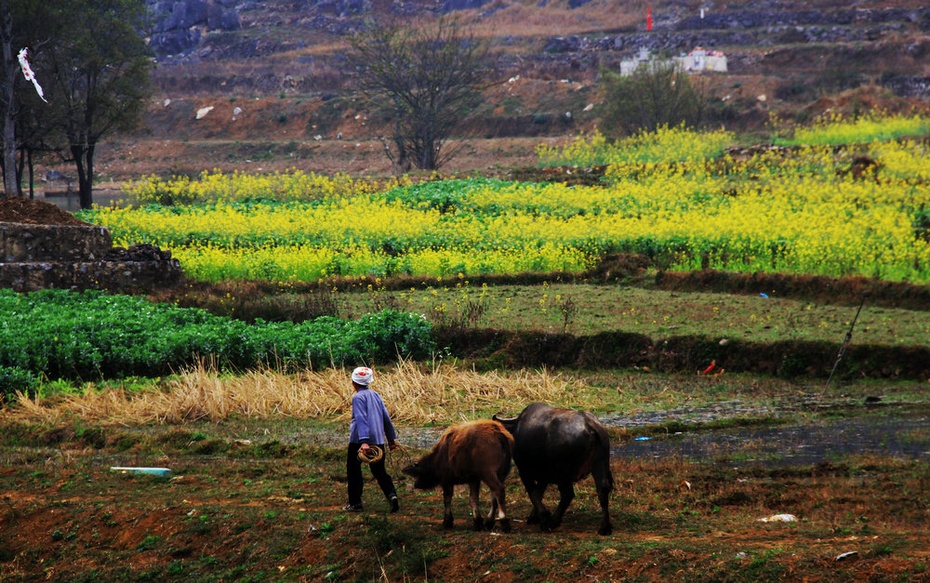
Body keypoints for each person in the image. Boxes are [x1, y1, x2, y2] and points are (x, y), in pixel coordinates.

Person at [345, 366, 400, 513]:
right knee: (380, 471)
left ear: (353, 383)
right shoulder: (375, 395)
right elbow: (386, 418)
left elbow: (361, 419)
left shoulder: (357, 398)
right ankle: (392, 495)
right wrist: (391, 439)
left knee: (354, 470)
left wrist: (363, 441)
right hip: (378, 440)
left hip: (359, 441)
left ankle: (355, 503)